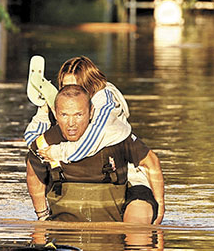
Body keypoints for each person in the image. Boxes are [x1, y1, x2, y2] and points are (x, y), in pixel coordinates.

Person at [26, 84, 164, 224]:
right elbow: (32, 170)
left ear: (91, 112)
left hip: (114, 231)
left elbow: (150, 162)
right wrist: (42, 217)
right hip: (62, 233)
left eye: (79, 115)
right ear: (56, 114)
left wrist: (160, 208)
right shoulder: (45, 142)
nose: (71, 123)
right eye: (64, 115)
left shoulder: (114, 136)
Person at [23, 56, 151, 191]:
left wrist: (55, 152)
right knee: (32, 159)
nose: (72, 93)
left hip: (118, 173)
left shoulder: (106, 101)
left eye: (77, 87)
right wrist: (44, 109)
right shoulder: (65, 100)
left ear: (91, 85)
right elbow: (32, 141)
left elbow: (92, 139)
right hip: (78, 172)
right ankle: (45, 210)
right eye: (67, 87)